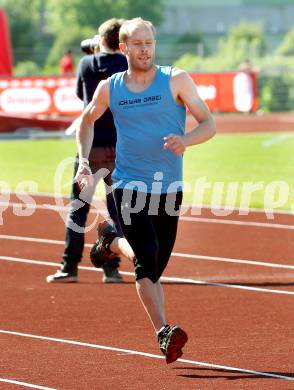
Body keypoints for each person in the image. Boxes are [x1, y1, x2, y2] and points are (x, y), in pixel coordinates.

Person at [74, 17, 216, 363]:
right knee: (147, 260)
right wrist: (82, 162)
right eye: (137, 44)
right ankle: (164, 332)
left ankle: (111, 241)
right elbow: (87, 119)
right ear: (123, 48)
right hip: (128, 185)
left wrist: (187, 139)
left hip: (169, 188)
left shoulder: (176, 80)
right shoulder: (111, 87)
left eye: (149, 43)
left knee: (154, 263)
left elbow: (209, 123)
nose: (144, 50)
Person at [47, 18, 128, 284]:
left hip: (90, 145)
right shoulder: (128, 65)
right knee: (117, 211)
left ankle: (69, 266)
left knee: (78, 208)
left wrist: (95, 57)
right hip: (119, 148)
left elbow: (81, 97)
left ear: (101, 40)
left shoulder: (86, 63)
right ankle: (112, 268)